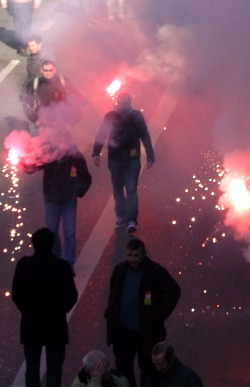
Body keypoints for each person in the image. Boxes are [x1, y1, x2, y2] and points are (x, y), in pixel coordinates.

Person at [104, 238, 181, 387]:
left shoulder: (155, 272)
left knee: (147, 370)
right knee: (124, 370)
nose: (133, 259)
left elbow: (174, 291)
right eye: (130, 255)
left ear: (143, 254)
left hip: (146, 333)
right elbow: (114, 295)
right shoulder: (119, 270)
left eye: (136, 255)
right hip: (123, 332)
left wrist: (159, 317)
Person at [11, 227, 78, 387]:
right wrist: (60, 310)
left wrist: (26, 310)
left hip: (31, 324)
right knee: (54, 368)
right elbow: (71, 295)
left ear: (33, 244)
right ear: (52, 244)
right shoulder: (61, 266)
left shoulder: (24, 264)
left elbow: (16, 294)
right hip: (55, 324)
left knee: (32, 368)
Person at [92, 92, 155, 234]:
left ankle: (131, 220)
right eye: (122, 103)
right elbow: (102, 134)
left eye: (126, 103)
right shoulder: (110, 116)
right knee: (118, 188)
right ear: (117, 103)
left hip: (132, 160)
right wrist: (96, 152)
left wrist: (150, 156)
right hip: (115, 159)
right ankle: (121, 215)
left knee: (131, 189)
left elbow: (144, 134)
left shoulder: (136, 116)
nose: (124, 106)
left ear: (130, 103)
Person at [25, 140, 91, 268]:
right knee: (52, 230)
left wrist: (77, 191)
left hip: (68, 200)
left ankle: (68, 264)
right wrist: (26, 165)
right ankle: (55, 257)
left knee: (69, 232)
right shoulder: (48, 154)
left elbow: (86, 178)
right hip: (51, 200)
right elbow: (34, 166)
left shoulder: (75, 157)